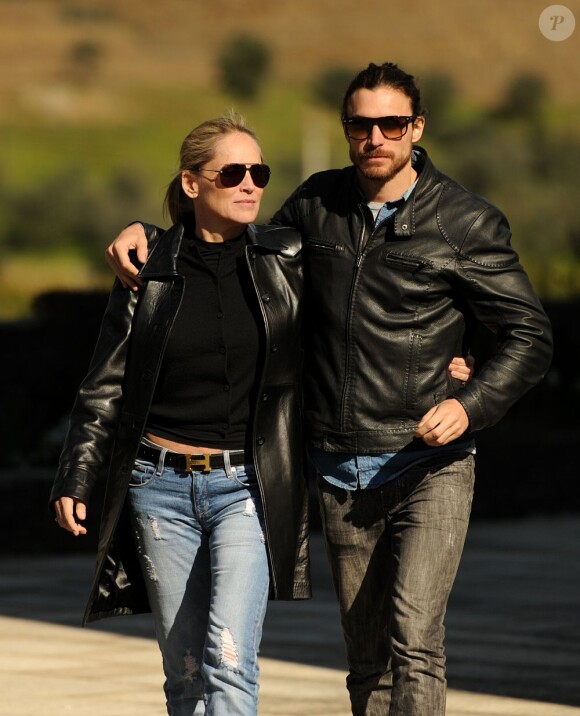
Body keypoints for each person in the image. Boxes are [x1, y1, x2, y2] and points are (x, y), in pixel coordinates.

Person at [104, 62, 553, 716]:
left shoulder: (464, 221)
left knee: (415, 639)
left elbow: (529, 334)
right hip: (339, 468)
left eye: (391, 124)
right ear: (347, 128)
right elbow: (232, 249)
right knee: (366, 652)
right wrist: (148, 235)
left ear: (416, 128)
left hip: (430, 465)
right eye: (360, 124)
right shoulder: (316, 205)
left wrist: (470, 402)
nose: (375, 137)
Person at [50, 114, 312, 716]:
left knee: (229, 660)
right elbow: (104, 385)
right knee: (186, 670)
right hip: (157, 486)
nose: (250, 184)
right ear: (193, 184)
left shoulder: (288, 259)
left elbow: (362, 316)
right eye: (233, 172)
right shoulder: (147, 268)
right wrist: (76, 474)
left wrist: (457, 356)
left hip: (245, 485)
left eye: (260, 172)